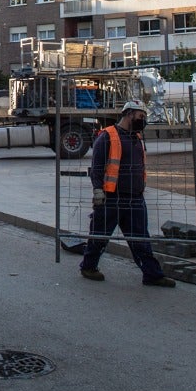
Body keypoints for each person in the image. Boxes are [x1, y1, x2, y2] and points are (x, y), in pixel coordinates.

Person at [80, 100, 175, 287]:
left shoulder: (137, 137)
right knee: (99, 235)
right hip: (111, 198)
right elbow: (97, 167)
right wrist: (98, 190)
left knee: (140, 239)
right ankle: (88, 266)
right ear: (129, 114)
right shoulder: (108, 136)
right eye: (141, 116)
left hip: (134, 198)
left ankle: (152, 275)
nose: (143, 121)